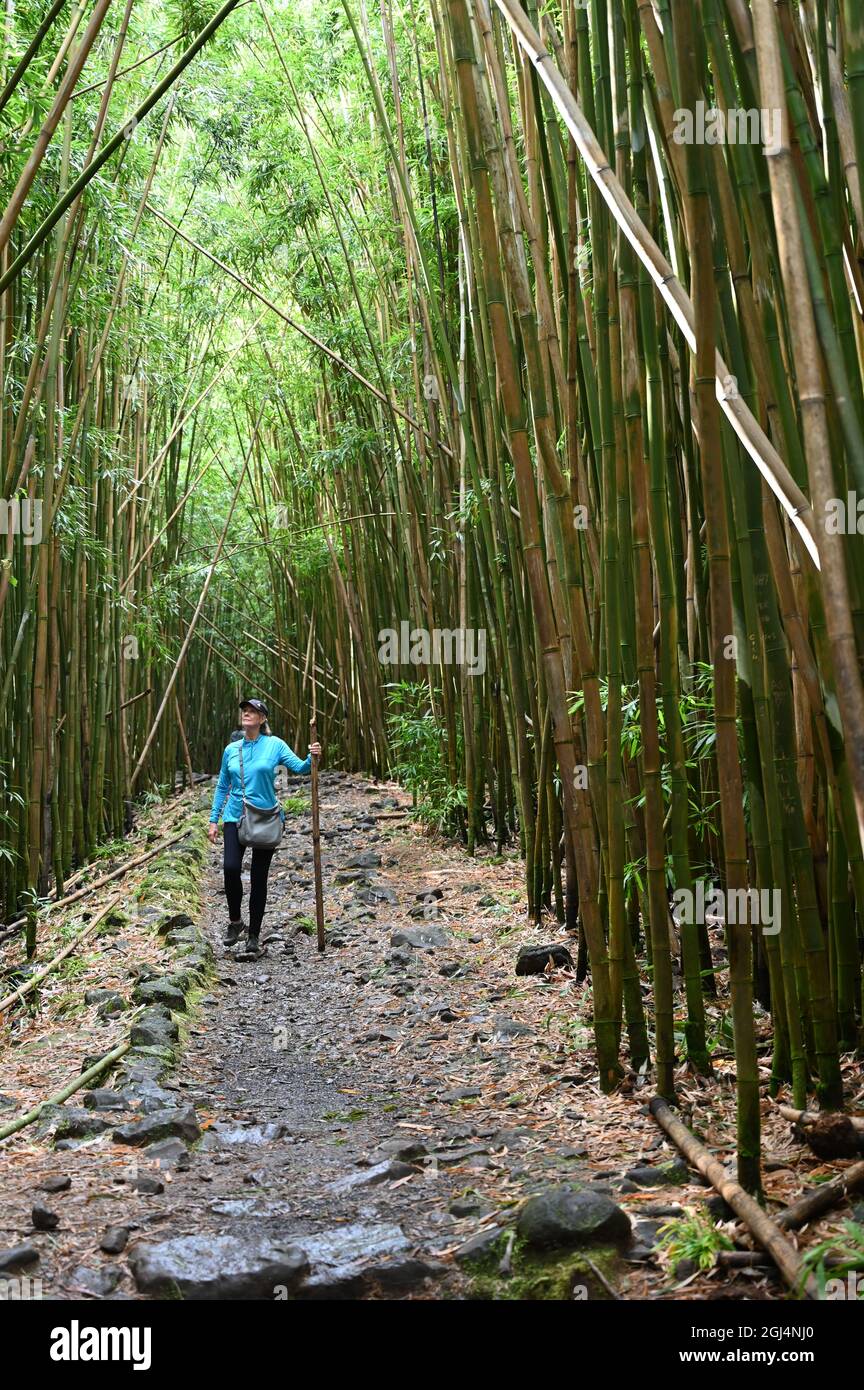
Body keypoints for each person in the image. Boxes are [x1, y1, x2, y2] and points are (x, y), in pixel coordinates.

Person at [208, 698, 321, 958]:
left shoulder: (274, 745)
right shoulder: (231, 750)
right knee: (230, 868)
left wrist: (312, 756)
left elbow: (301, 768)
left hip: (265, 817)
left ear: (263, 719)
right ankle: (236, 921)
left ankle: (254, 936)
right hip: (235, 816)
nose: (247, 714)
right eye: (244, 711)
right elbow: (222, 786)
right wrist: (214, 820)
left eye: (253, 711)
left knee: (259, 878)